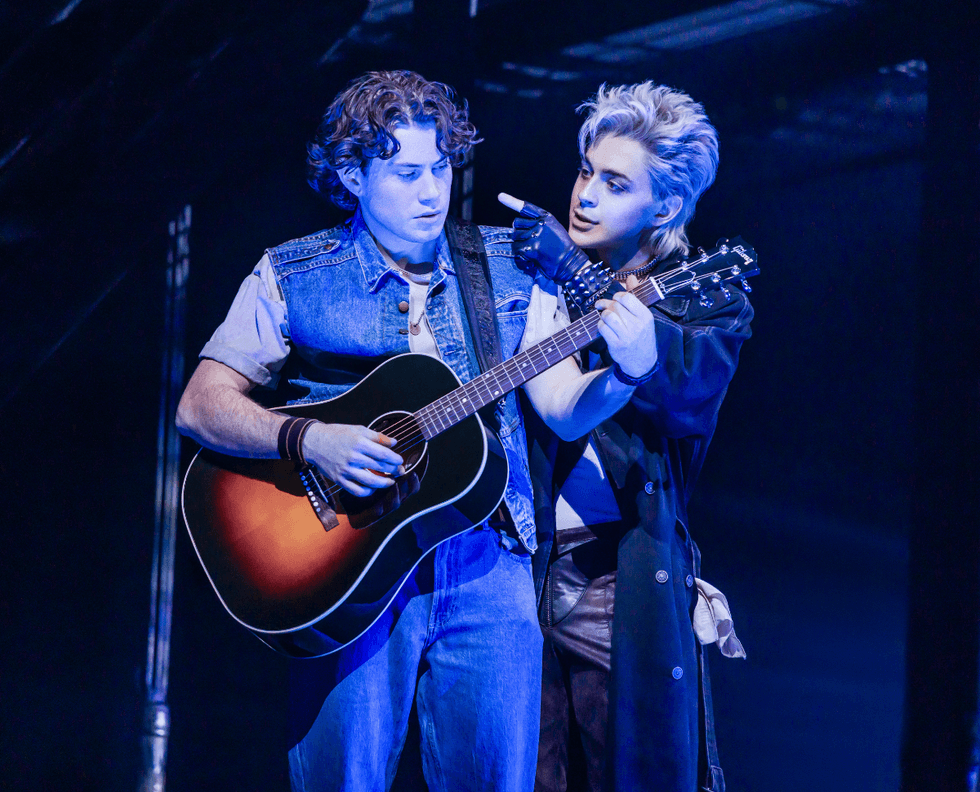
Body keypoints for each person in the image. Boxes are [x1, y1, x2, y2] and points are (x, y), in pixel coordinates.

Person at [175, 70, 656, 792]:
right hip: (350, 563)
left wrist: (626, 373)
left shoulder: (509, 266)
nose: (433, 192)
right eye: (406, 173)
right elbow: (200, 405)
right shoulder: (293, 273)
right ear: (351, 174)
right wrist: (309, 440)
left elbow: (560, 407)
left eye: (441, 167)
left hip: (488, 557)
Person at [505, 81, 754, 792]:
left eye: (615, 183)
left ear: (665, 206)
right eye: (587, 172)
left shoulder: (706, 297)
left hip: (618, 578)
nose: (585, 195)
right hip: (516, 565)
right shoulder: (533, 282)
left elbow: (682, 393)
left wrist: (578, 274)